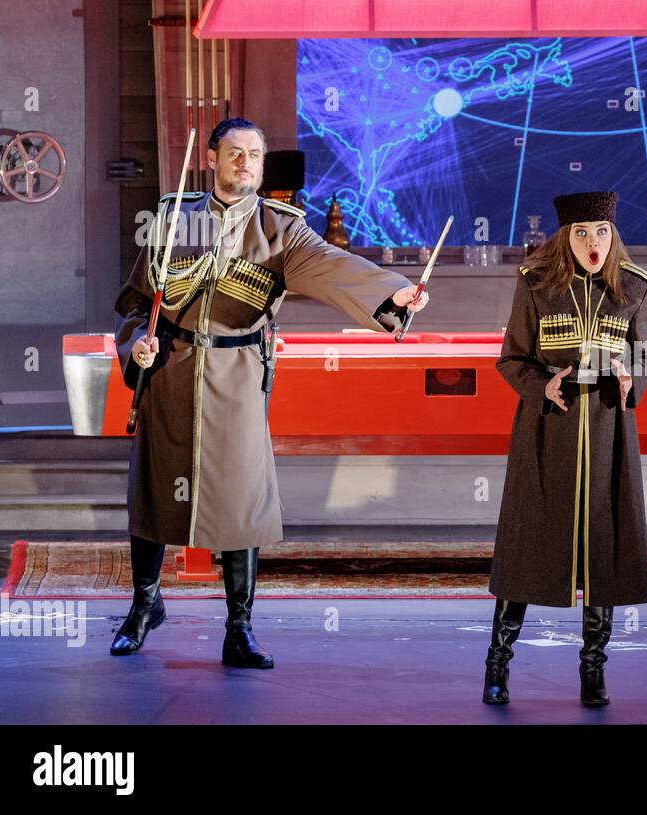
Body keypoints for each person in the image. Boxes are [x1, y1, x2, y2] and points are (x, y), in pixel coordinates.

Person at [111, 117, 429, 667]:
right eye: (234, 153)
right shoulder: (172, 220)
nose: (245, 163)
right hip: (172, 369)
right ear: (210, 158)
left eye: (254, 155)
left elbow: (334, 268)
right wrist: (139, 341)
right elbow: (139, 304)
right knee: (158, 489)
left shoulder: (282, 229)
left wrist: (395, 293)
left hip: (236, 374)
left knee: (239, 497)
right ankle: (143, 607)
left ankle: (239, 628)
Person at [485, 191, 647, 706]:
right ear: (566, 238)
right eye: (582, 233)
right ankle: (497, 665)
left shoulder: (634, 288)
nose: (593, 243)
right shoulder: (535, 285)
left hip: (607, 434)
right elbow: (512, 358)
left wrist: (633, 379)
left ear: (613, 236)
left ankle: (593, 671)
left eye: (601, 233)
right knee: (528, 547)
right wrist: (543, 386)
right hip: (547, 433)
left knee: (603, 552)